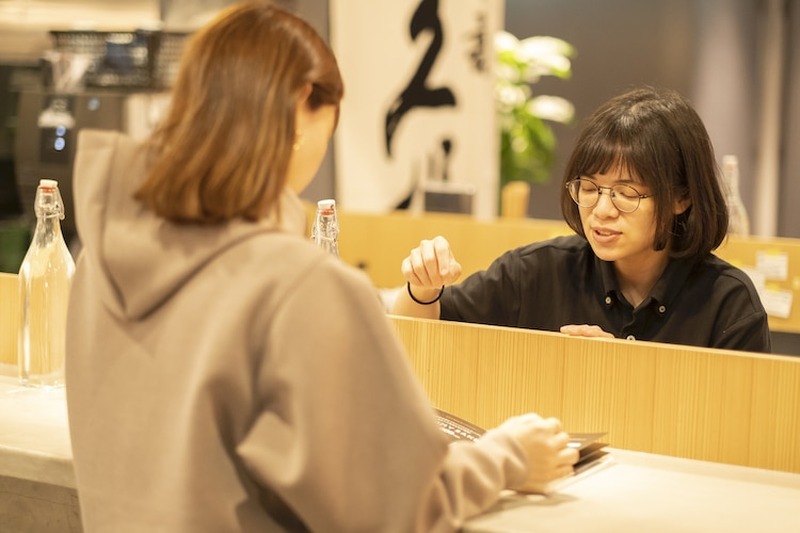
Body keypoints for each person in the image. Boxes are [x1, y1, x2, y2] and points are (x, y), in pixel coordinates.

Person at [64, 2, 578, 531]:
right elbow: (393, 507)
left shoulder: (98, 260)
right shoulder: (298, 286)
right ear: (304, 103)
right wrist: (509, 457)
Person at [393, 86, 771, 353]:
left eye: (626, 193)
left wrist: (624, 373)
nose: (602, 210)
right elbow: (421, 336)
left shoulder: (728, 303)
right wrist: (422, 290)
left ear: (681, 197)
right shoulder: (535, 273)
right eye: (589, 188)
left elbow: (739, 432)